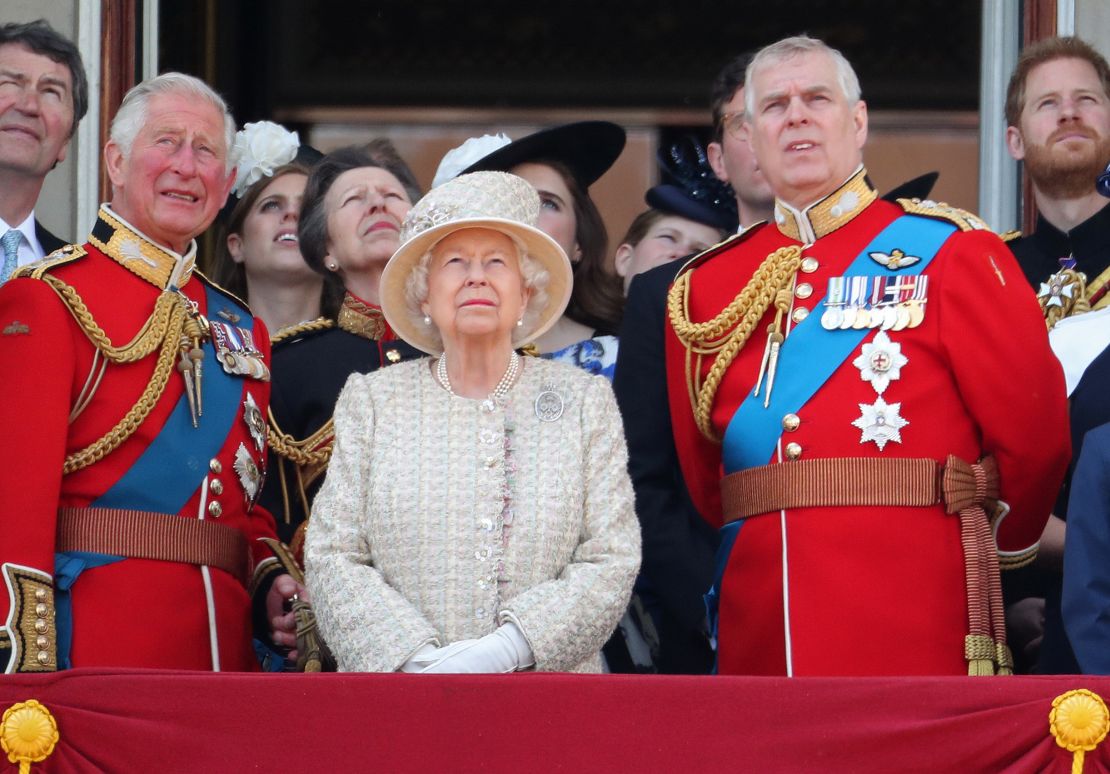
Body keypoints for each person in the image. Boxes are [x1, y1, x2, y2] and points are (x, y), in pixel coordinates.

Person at [662, 36, 1068, 677]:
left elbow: (1033, 437)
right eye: (773, 106)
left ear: (857, 123)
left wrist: (999, 551)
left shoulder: (953, 251)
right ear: (750, 136)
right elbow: (709, 478)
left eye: (816, 98)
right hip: (759, 619)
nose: (795, 115)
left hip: (914, 612)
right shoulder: (705, 286)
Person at [0, 72, 301, 672]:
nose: (186, 166)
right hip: (97, 650)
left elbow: (240, 502)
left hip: (225, 658)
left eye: (206, 150)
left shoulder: (243, 326)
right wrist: (22, 663)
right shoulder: (49, 298)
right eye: (166, 142)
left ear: (227, 185)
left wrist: (270, 577)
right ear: (115, 161)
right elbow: (14, 501)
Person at [305, 171, 640, 673]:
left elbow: (612, 555)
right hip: (406, 701)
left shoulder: (583, 400)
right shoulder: (373, 400)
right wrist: (413, 661)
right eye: (455, 262)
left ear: (525, 294)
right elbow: (334, 553)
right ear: (424, 295)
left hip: (553, 703)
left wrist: (509, 649)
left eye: (497, 262)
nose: (476, 276)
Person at [1002, 35, 1110, 673]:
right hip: (1008, 609)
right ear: (1015, 140)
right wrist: (1005, 597)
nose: (1069, 113)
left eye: (1086, 100)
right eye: (1048, 104)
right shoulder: (981, 268)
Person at [259, 142, 424, 550]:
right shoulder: (290, 366)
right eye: (354, 199)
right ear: (327, 250)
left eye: (392, 198)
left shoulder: (470, 352)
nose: (377, 206)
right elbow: (269, 518)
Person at [433, 122, 627, 372]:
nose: (528, 213)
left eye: (548, 203)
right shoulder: (431, 362)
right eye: (515, 201)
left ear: (579, 242)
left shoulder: (622, 356)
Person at [211, 120, 330, 336]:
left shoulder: (367, 358)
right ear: (237, 245)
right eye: (272, 205)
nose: (291, 214)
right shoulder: (199, 350)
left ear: (330, 247)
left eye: (306, 207)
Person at [0, 19, 88, 278]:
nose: (29, 106)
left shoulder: (80, 281)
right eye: (10, 83)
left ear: (65, 142)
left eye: (51, 92)